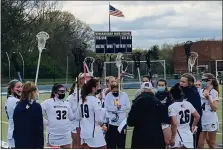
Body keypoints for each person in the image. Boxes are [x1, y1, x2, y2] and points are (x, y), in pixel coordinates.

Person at [127, 82, 165, 149]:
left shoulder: (137, 102)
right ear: (151, 90)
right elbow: (163, 119)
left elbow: (130, 122)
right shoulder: (158, 102)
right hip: (156, 136)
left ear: (142, 90)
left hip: (140, 137)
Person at [41, 83, 76, 148]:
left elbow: (71, 118)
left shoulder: (66, 103)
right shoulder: (48, 102)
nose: (63, 93)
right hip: (53, 134)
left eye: (64, 91)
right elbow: (38, 113)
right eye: (61, 91)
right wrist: (46, 122)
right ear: (55, 92)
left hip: (65, 133)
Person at [74, 78, 107, 148]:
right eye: (98, 86)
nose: (100, 88)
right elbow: (98, 120)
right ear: (93, 89)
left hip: (84, 132)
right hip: (94, 132)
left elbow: (77, 117)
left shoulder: (82, 100)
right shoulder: (95, 101)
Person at [168, 83, 200, 149]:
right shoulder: (188, 103)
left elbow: (174, 123)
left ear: (172, 95)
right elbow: (197, 116)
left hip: (178, 135)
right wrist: (193, 126)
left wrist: (173, 138)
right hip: (188, 134)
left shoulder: (172, 107)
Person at [13, 81, 44, 149]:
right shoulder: (36, 106)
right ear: (33, 92)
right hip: (34, 143)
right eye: (36, 91)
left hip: (20, 143)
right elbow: (39, 128)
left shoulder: (18, 106)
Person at [104, 81, 130, 149]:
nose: (115, 93)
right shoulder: (108, 96)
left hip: (122, 123)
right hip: (112, 123)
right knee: (111, 143)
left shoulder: (124, 95)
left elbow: (128, 106)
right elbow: (106, 107)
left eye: (116, 91)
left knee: (121, 143)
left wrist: (120, 108)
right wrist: (115, 108)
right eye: (113, 91)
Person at [180, 73, 202, 148]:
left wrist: (195, 125)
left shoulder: (194, 93)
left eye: (183, 82)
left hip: (192, 124)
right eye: (181, 81)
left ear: (190, 83)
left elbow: (197, 111)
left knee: (191, 145)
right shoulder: (179, 91)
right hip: (181, 125)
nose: (181, 83)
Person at [198, 73, 219, 149]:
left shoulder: (214, 92)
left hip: (211, 120)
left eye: (204, 80)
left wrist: (209, 98)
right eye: (201, 80)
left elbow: (215, 108)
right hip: (201, 120)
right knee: (200, 144)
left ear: (210, 81)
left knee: (212, 143)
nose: (202, 81)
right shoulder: (200, 91)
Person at [4, 79, 23, 148]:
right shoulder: (14, 101)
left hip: (14, 133)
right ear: (12, 89)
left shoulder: (10, 100)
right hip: (16, 134)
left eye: (21, 86)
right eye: (18, 87)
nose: (21, 89)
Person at [155, 79, 173, 147]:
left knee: (167, 142)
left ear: (165, 86)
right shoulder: (155, 95)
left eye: (162, 85)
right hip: (157, 122)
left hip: (167, 121)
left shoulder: (169, 95)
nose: (160, 86)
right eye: (159, 85)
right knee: (159, 142)